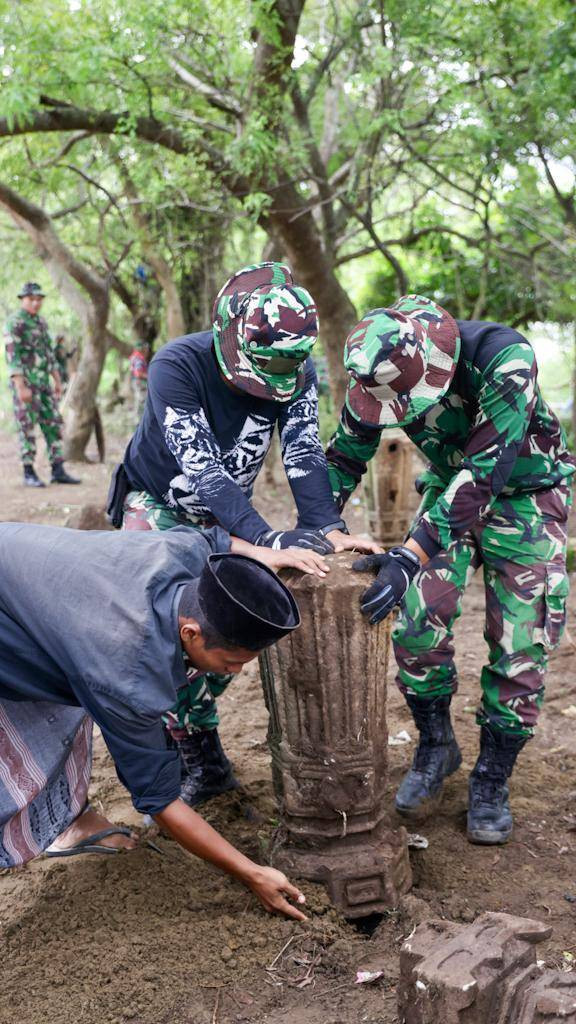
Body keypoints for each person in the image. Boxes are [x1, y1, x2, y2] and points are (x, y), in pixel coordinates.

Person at [115, 261, 379, 806]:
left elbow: (304, 452)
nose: (281, 376)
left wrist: (323, 527)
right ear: (231, 335)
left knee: (232, 625)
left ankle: (202, 745)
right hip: (161, 505)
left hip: (223, 515)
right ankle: (189, 757)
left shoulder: (298, 372)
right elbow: (203, 469)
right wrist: (266, 539)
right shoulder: (177, 366)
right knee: (162, 629)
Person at [326, 295, 575, 845]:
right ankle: (437, 744)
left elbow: (486, 474)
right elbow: (343, 458)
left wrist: (408, 555)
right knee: (414, 623)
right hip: (446, 494)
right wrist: (315, 528)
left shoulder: (503, 359)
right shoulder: (377, 369)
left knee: (521, 643)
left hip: (526, 497)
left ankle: (492, 776)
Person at [0, 521, 324, 920]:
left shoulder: (180, 557)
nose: (236, 673)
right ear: (190, 632)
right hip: (21, 609)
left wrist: (266, 556)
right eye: (231, 662)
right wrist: (251, 872)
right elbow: (159, 798)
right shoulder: (126, 672)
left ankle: (69, 819)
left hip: (19, 565)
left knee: (68, 685)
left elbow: (215, 540)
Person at [3, 282, 81, 488]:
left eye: (39, 299)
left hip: (44, 386)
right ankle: (28, 472)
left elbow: (49, 355)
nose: (36, 303)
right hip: (26, 384)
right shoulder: (15, 323)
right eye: (32, 299)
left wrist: (56, 380)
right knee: (27, 427)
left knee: (53, 424)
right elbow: (13, 357)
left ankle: (58, 470)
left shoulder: (41, 323)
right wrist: (20, 387)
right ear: (23, 299)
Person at [129, 339, 151, 421]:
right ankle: (140, 423)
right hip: (140, 383)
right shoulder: (138, 359)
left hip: (137, 382)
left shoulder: (134, 357)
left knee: (139, 402)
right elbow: (138, 373)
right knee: (142, 402)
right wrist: (150, 376)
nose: (147, 351)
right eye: (145, 348)